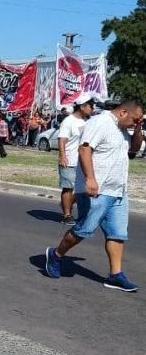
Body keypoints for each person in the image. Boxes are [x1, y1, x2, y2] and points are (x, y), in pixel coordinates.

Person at [45, 100, 143, 292]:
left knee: (117, 233)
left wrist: (137, 129)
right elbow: (84, 149)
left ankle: (115, 275)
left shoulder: (122, 129)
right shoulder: (99, 122)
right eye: (135, 119)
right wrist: (90, 179)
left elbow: (135, 149)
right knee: (83, 230)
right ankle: (55, 255)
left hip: (118, 191)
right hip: (97, 190)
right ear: (123, 112)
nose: (135, 123)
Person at [56, 94, 96, 226]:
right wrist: (62, 156)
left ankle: (67, 203)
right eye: (90, 106)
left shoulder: (89, 121)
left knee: (83, 189)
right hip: (70, 160)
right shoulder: (69, 121)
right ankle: (66, 215)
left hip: (83, 161)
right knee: (68, 188)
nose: (92, 108)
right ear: (82, 106)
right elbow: (62, 140)